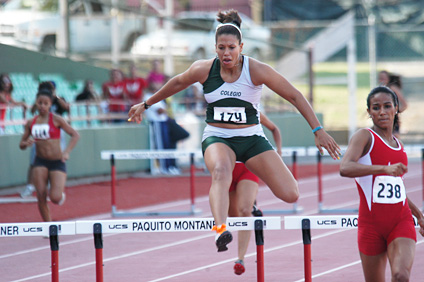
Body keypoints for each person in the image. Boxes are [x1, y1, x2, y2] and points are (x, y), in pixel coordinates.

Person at [128, 9, 341, 252]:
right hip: (219, 137)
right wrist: (146, 104)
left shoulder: (257, 69)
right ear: (215, 48)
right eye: (221, 48)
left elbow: (295, 95)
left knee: (291, 194)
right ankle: (220, 229)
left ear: (241, 46)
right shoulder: (204, 69)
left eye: (231, 47)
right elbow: (177, 82)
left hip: (251, 139)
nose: (226, 53)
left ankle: (249, 203)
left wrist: (318, 129)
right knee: (220, 171)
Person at [339, 86, 424, 282]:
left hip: (400, 221)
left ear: (396, 108)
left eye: (387, 106)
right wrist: (382, 169)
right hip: (371, 225)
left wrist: (419, 215)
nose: (382, 112)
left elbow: (398, 189)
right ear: (369, 112)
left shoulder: (399, 146)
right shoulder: (364, 136)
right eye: (376, 108)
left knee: (401, 275)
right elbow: (345, 167)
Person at [229, 112, 282, 275]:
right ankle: (252, 203)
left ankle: (240, 258)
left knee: (244, 211)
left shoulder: (254, 112)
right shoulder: (219, 110)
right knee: (232, 218)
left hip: (248, 167)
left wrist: (278, 153)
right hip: (227, 169)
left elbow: (274, 129)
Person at [19, 88, 80, 221]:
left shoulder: (57, 119)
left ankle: (59, 196)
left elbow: (75, 135)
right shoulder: (31, 122)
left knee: (55, 197)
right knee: (40, 195)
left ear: (50, 104)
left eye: (46, 103)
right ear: (36, 103)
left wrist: (67, 152)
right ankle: (49, 226)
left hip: (57, 161)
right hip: (40, 161)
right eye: (40, 103)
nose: (42, 106)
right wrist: (26, 143)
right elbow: (21, 144)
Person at [21, 81, 70, 197]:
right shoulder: (39, 101)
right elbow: (32, 111)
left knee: (57, 157)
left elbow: (66, 107)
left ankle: (55, 186)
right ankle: (30, 186)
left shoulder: (58, 99)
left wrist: (55, 97)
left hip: (55, 131)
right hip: (40, 130)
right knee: (34, 159)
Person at [378, 70, 407, 138]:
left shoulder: (392, 88)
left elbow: (405, 105)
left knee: (394, 139)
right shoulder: (379, 90)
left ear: (388, 78)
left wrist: (395, 113)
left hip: (392, 121)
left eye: (384, 78)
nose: (382, 80)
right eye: (380, 78)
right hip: (381, 121)